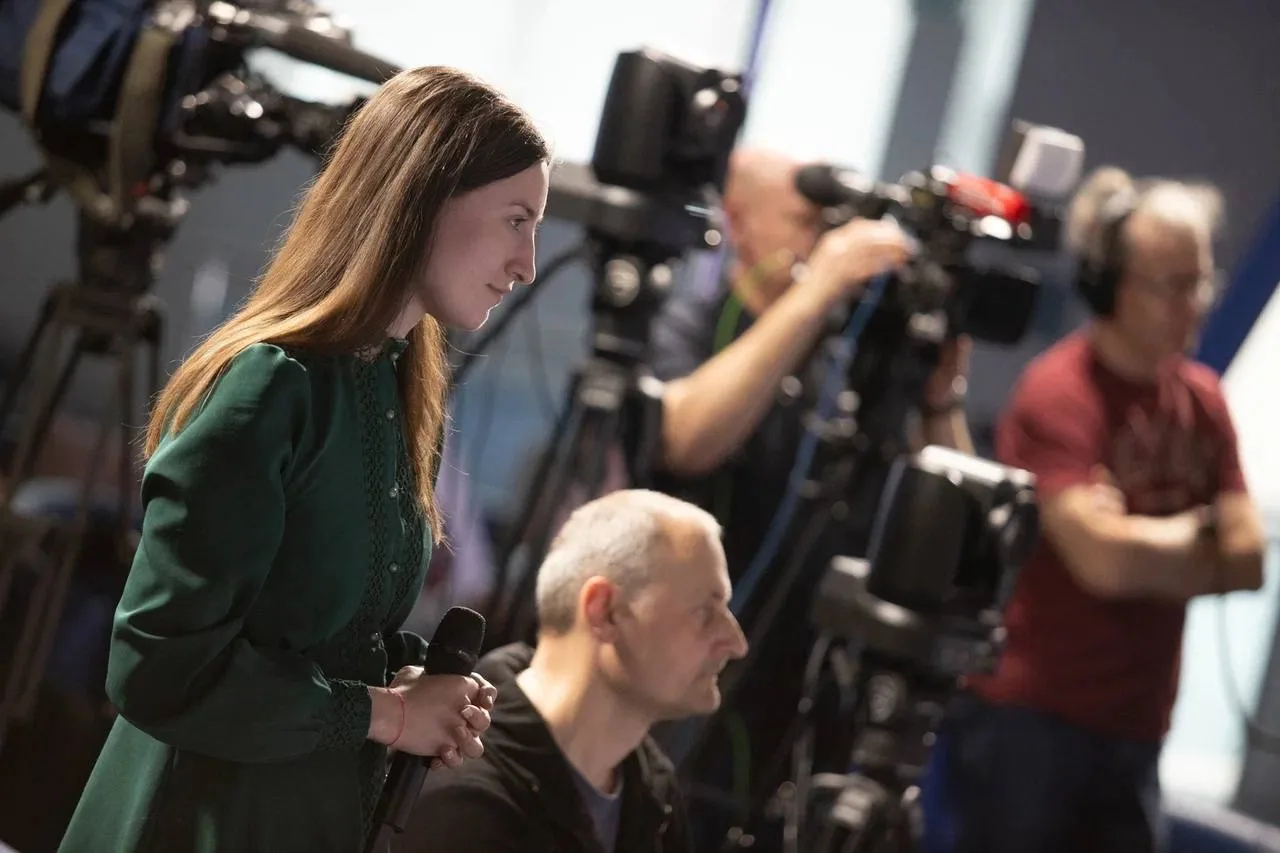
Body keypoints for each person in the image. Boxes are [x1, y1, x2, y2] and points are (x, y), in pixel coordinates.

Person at [57, 66, 552, 853]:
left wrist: (413, 682)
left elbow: (325, 633)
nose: (527, 263)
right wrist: (389, 713)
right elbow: (157, 668)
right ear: (423, 198)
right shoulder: (271, 386)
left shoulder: (401, 394)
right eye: (516, 220)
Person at [647, 147, 974, 838]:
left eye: (831, 225)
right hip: (691, 676)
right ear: (738, 221)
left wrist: (940, 398)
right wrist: (815, 292)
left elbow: (962, 533)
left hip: (816, 691)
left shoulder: (851, 351)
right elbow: (683, 438)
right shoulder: (697, 320)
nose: (823, 239)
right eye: (805, 220)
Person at [944, 166, 1267, 853]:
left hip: (1137, 729)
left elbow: (1247, 559)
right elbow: (1105, 565)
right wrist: (1199, 532)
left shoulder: (1204, 402)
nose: (1194, 304)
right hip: (1031, 724)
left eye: (1200, 282)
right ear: (1109, 285)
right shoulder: (1059, 394)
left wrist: (1147, 538)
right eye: (1172, 285)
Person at [398, 489, 749, 853]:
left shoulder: (653, 795)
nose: (736, 643)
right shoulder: (463, 808)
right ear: (605, 611)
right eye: (705, 612)